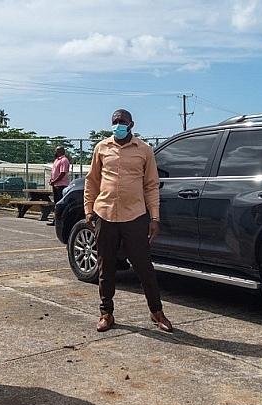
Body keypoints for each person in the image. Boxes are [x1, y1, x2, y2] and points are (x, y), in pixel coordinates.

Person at [84, 109, 173, 333]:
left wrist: (154, 217)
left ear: (131, 124)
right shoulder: (101, 148)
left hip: (135, 216)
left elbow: (151, 185)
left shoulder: (144, 150)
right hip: (105, 214)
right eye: (115, 121)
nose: (118, 125)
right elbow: (92, 180)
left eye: (122, 121)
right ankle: (106, 313)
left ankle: (156, 311)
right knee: (106, 266)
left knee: (143, 266)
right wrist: (88, 210)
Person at [47, 146, 71, 225]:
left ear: (60, 151)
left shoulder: (64, 160)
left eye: (56, 151)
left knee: (61, 203)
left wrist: (54, 181)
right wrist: (52, 180)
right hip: (56, 185)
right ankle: (56, 220)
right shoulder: (57, 160)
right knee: (56, 203)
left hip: (61, 185)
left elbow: (62, 173)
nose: (55, 153)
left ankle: (61, 221)